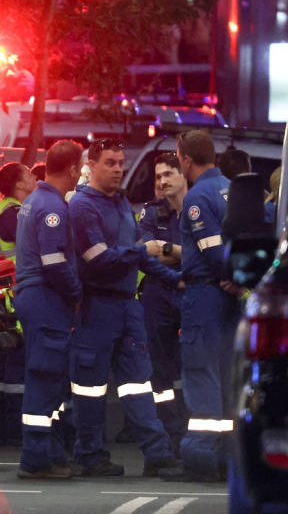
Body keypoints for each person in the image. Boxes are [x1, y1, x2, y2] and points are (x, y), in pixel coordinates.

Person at [68, 138, 181, 478]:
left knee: (139, 383)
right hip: (96, 306)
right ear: (91, 164)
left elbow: (137, 254)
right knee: (90, 387)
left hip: (126, 307)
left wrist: (176, 278)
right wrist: (143, 251)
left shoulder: (119, 203)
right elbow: (98, 259)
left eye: (121, 162)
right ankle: (89, 455)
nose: (118, 169)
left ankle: (157, 454)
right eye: (110, 163)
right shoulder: (82, 207)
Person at [163, 130, 238, 482]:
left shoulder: (197, 198)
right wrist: (240, 279)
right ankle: (225, 456)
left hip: (204, 298)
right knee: (225, 377)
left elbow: (211, 251)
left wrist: (227, 274)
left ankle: (201, 457)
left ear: (185, 159)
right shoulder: (232, 189)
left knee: (201, 376)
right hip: (229, 300)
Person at [13, 140, 83, 479]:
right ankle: (36, 459)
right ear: (71, 169)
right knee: (44, 378)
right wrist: (76, 292)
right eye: (79, 168)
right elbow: (54, 262)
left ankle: (49, 453)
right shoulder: (52, 208)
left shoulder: (35, 201)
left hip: (37, 297)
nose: (80, 174)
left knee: (48, 377)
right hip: (46, 298)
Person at [136, 152, 190, 452]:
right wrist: (182, 253)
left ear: (184, 174)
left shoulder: (198, 210)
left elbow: (200, 254)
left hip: (191, 291)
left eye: (168, 174)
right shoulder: (150, 213)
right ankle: (171, 433)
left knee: (194, 365)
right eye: (158, 176)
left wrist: (168, 248)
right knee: (160, 370)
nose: (162, 181)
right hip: (158, 294)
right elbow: (144, 253)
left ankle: (195, 433)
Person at [0, 162, 38, 448]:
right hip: (14, 297)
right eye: (30, 176)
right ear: (19, 185)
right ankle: (12, 431)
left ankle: (2, 430)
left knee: (7, 367)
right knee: (16, 365)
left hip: (7, 296)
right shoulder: (13, 214)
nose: (34, 179)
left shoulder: (6, 210)